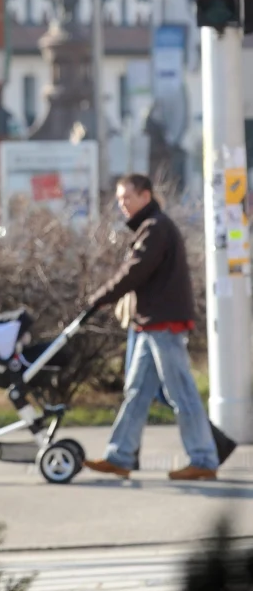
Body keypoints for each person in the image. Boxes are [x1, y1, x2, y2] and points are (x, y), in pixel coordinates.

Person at [83, 173, 219, 482]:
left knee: (181, 392)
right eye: (119, 199)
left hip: (163, 322)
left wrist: (101, 298)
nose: (122, 204)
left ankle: (203, 459)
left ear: (145, 196)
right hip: (150, 322)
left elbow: (136, 270)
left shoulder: (156, 227)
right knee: (137, 392)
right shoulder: (151, 226)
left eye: (127, 198)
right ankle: (120, 456)